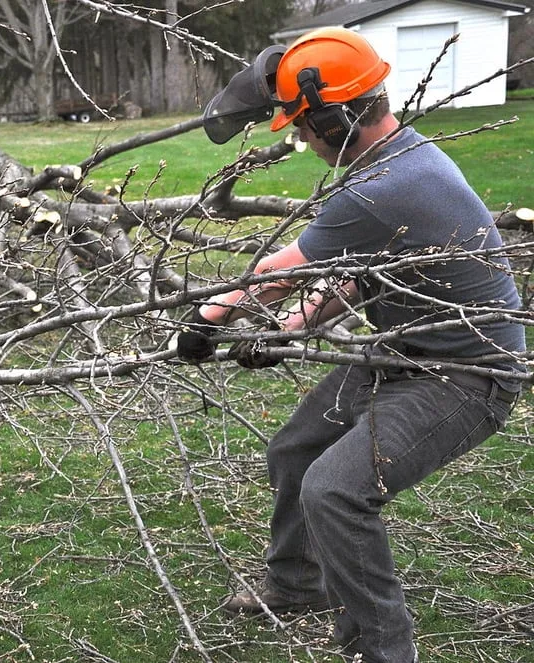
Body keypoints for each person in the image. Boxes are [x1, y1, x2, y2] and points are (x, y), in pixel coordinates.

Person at [178, 27, 527, 663]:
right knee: (294, 451)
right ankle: (294, 584)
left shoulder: (381, 185)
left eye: (304, 127)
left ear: (337, 119)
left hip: (467, 375)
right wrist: (288, 333)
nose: (301, 139)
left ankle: (384, 649)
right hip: (402, 354)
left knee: (335, 490)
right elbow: (360, 275)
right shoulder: (395, 161)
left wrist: (204, 323)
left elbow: (275, 272)